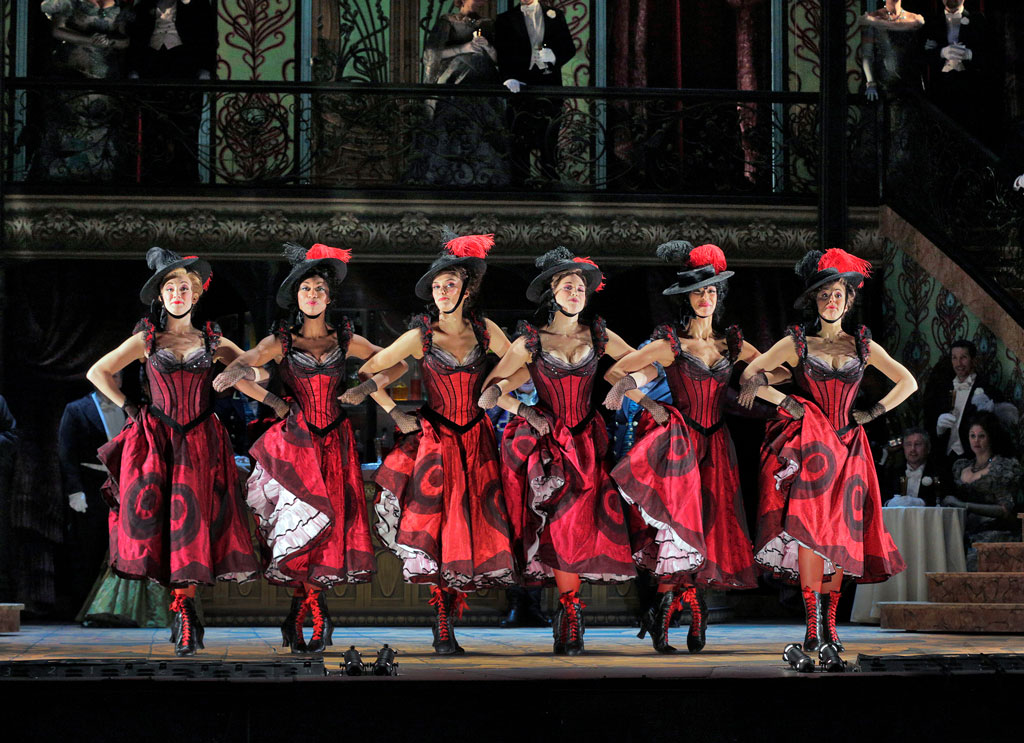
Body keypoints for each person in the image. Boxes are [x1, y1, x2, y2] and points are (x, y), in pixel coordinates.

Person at [213, 243, 403, 654]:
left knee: (328, 529)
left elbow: (398, 363)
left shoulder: (345, 338)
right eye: (306, 289)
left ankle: (303, 616)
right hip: (296, 445)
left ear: (329, 298)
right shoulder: (282, 340)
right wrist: (254, 384)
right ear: (295, 297)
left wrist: (365, 388)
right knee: (300, 530)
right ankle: (317, 616)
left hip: (335, 443)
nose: (313, 295)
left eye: (319, 289)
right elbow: (252, 359)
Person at [739, 248, 916, 669]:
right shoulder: (797, 342)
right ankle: (812, 626)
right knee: (809, 532)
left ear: (849, 301)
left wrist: (873, 412)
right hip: (811, 448)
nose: (832, 301)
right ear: (814, 301)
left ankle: (831, 628)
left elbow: (907, 381)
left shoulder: (863, 345)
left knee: (840, 536)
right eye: (824, 295)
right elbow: (749, 375)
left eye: (838, 295)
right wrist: (786, 401)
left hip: (849, 449)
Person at [87, 247, 261, 655]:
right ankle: (182, 612)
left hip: (201, 440)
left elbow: (262, 370)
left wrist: (242, 369)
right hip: (158, 440)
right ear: (161, 296)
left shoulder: (212, 339)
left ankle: (185, 611)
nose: (178, 294)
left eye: (185, 288)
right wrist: (129, 406)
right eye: (170, 288)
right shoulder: (147, 340)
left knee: (194, 526)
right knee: (160, 525)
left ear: (195, 295)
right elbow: (98, 371)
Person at [354, 231, 519, 655]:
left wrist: (499, 389)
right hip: (436, 440)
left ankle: (450, 616)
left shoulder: (486, 331)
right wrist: (394, 412)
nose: (442, 291)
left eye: (450, 284)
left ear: (467, 290)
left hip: (477, 440)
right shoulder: (421, 336)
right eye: (437, 286)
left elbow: (525, 364)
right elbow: (370, 370)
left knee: (471, 527)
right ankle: (442, 621)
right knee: (439, 527)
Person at [603, 242, 769, 654]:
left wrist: (755, 380)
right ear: (687, 299)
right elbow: (617, 372)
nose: (705, 298)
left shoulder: (731, 344)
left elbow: (777, 369)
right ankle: (667, 613)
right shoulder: (671, 343)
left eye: (711, 291)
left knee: (710, 526)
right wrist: (648, 403)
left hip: (717, 444)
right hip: (680, 442)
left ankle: (693, 607)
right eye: (698, 292)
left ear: (718, 296)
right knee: (679, 530)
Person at [480, 247, 644, 656]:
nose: (575, 293)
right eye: (568, 286)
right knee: (558, 528)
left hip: (586, 442)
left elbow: (650, 366)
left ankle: (570, 611)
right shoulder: (531, 341)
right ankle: (570, 613)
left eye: (581, 288)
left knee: (578, 528)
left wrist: (626, 383)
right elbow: (488, 393)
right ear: (552, 292)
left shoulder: (598, 335)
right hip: (546, 446)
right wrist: (524, 410)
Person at [409, 0, 510, 186]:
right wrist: (464, 48)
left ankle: (485, 178)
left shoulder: (488, 24)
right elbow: (432, 53)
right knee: (452, 129)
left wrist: (488, 48)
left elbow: (501, 59)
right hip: (454, 87)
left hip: (484, 87)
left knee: (483, 130)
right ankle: (447, 178)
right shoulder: (447, 21)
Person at [34, 0, 133, 181]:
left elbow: (124, 39)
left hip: (104, 78)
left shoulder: (120, 5)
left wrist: (109, 41)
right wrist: (90, 40)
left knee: (102, 130)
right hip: (73, 74)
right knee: (70, 128)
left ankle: (102, 176)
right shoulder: (70, 2)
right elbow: (57, 30)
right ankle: (62, 177)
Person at [126, 0, 217, 184]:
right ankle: (152, 179)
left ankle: (186, 180)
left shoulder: (198, 6)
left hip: (184, 67)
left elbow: (209, 39)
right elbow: (134, 41)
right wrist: (133, 70)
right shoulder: (143, 7)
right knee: (153, 126)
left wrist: (205, 69)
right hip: (152, 68)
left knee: (185, 129)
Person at [58, 373, 127, 613]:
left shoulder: (128, 407)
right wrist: (75, 491)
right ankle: (82, 608)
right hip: (91, 484)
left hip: (124, 486)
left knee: (119, 547)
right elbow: (66, 453)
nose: (114, 380)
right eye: (110, 375)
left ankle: (113, 609)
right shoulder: (77, 409)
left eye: (118, 376)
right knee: (89, 547)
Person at [494, 0, 576, 184]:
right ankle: (520, 189)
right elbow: (501, 53)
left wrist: (553, 57)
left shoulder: (555, 15)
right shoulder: (505, 19)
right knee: (519, 142)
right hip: (520, 87)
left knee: (549, 143)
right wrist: (508, 78)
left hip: (550, 87)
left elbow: (569, 48)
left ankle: (550, 188)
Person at [943, 412, 1023, 569]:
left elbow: (1005, 509)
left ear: (990, 437)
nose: (976, 441)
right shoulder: (962, 466)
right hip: (963, 531)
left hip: (995, 533)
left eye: (981, 436)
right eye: (972, 436)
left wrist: (964, 505)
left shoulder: (1002, 467)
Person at [923, 339, 996, 482]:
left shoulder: (986, 389)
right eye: (954, 358)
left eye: (963, 357)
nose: (958, 363)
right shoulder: (941, 388)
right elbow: (929, 423)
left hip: (972, 457)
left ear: (973, 360)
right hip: (945, 456)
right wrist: (938, 428)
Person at [923, 0, 994, 144]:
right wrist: (941, 52)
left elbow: (992, 57)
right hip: (940, 94)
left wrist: (969, 54)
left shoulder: (978, 20)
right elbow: (919, 56)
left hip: (970, 94)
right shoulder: (931, 22)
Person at [860, 0, 925, 102]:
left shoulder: (914, 18)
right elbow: (867, 55)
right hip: (885, 85)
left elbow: (918, 51)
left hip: (910, 83)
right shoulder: (873, 19)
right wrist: (871, 82)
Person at [880, 427, 945, 507]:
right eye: (908, 444)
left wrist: (921, 503)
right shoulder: (893, 473)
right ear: (903, 448)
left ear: (928, 448)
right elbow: (882, 498)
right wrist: (889, 503)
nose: (912, 449)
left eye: (917, 444)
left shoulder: (939, 472)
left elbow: (943, 499)